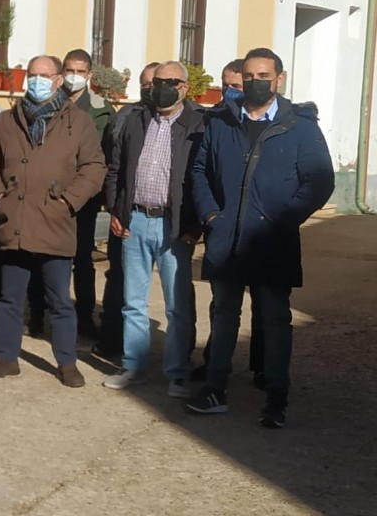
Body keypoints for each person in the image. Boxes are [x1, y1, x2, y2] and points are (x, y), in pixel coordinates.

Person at [186, 48, 334, 428]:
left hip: (273, 240)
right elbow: (200, 170)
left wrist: (283, 220)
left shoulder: (300, 126)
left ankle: (276, 399)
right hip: (227, 238)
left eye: (263, 75)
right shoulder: (221, 122)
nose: (255, 82)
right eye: (248, 76)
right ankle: (215, 389)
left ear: (279, 79)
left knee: (274, 320)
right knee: (223, 317)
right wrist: (211, 215)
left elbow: (319, 182)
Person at [0, 55, 106, 387]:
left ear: (58, 79)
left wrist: (67, 201)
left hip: (55, 222)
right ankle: (6, 356)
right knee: (10, 296)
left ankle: (66, 362)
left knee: (60, 300)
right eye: (31, 75)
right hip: (15, 220)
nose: (36, 81)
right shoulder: (8, 121)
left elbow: (93, 168)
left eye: (44, 76)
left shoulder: (79, 123)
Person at [102, 61, 203, 399]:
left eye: (171, 82)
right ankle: (133, 365)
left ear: (184, 87)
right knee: (133, 301)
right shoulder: (135, 119)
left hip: (175, 226)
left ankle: (176, 373)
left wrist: (195, 224)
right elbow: (116, 167)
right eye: (158, 81)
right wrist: (115, 209)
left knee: (177, 306)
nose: (162, 87)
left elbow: (205, 177)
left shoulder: (199, 124)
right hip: (136, 219)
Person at [191, 57, 265, 385]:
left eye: (236, 85)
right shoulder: (214, 119)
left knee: (264, 303)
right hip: (222, 224)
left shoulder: (266, 120)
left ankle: (262, 366)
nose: (230, 90)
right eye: (226, 84)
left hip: (261, 228)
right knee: (222, 304)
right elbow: (201, 171)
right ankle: (215, 364)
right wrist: (210, 215)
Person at [28, 49, 111, 339]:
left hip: (83, 200)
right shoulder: (46, 102)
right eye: (69, 70)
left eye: (80, 71)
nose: (74, 76)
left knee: (82, 259)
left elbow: (103, 158)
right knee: (40, 254)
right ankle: (37, 312)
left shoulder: (102, 111)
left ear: (89, 74)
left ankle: (84, 317)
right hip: (47, 196)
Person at [93, 61, 159, 358]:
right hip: (125, 212)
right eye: (144, 83)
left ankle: (178, 354)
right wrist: (113, 206)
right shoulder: (125, 116)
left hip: (162, 216)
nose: (149, 88)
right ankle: (111, 340)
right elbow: (112, 163)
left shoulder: (185, 119)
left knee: (174, 286)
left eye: (154, 83)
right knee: (118, 276)